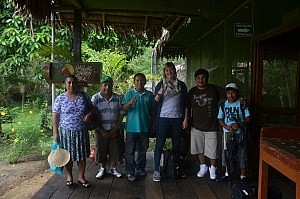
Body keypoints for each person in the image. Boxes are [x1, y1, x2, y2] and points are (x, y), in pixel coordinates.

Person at [52, 75, 93, 187]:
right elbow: (55, 115)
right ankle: (69, 176)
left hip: (81, 131)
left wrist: (89, 114)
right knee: (67, 155)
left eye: (74, 82)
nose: (71, 85)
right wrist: (55, 133)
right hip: (66, 132)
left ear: (77, 84)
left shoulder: (84, 96)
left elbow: (92, 108)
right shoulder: (60, 98)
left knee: (82, 155)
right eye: (69, 83)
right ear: (65, 84)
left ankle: (81, 176)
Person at [152, 62, 189, 182]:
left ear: (175, 71)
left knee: (177, 145)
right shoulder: (161, 84)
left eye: (171, 70)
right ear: (164, 72)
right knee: (159, 144)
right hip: (163, 118)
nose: (169, 72)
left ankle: (177, 168)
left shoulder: (182, 85)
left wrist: (185, 118)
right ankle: (157, 170)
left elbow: (186, 104)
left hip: (177, 119)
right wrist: (159, 93)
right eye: (167, 71)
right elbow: (155, 102)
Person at [187, 68, 225, 180]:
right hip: (196, 125)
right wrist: (186, 119)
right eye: (198, 78)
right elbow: (187, 107)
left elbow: (229, 94)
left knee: (213, 150)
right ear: (195, 79)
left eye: (203, 77)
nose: (201, 80)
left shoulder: (214, 89)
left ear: (207, 78)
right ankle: (203, 167)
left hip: (211, 126)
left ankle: (213, 169)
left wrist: (240, 98)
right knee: (199, 148)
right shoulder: (192, 91)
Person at [122, 73, 154, 182]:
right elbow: (123, 108)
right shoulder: (129, 94)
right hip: (131, 128)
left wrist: (152, 124)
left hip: (144, 127)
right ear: (134, 82)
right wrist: (130, 103)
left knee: (142, 150)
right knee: (129, 151)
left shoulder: (149, 95)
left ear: (145, 82)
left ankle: (140, 169)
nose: (139, 82)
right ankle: (130, 171)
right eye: (137, 80)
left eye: (141, 80)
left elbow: (152, 111)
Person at [91, 76, 125, 180]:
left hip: (114, 129)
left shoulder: (118, 98)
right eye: (105, 85)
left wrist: (115, 129)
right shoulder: (95, 98)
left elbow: (121, 114)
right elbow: (93, 115)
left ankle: (113, 168)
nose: (107, 87)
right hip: (100, 130)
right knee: (101, 149)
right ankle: (102, 168)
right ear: (100, 86)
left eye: (109, 85)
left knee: (114, 149)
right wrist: (101, 130)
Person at [217, 83, 251, 182]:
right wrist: (227, 127)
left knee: (241, 153)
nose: (231, 95)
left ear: (237, 93)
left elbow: (248, 118)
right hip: (227, 133)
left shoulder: (242, 104)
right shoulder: (223, 105)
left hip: (240, 133)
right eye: (228, 93)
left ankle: (242, 176)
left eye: (233, 93)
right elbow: (220, 119)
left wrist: (239, 124)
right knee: (227, 152)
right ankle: (228, 174)